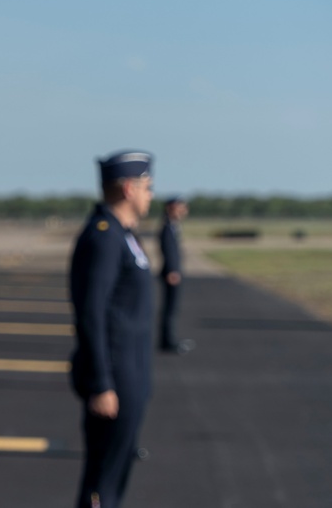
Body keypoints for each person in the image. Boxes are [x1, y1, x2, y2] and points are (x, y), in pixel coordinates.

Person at [69, 151, 155, 508]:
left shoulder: (123, 235)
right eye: (148, 187)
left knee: (116, 477)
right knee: (102, 481)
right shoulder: (104, 236)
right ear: (127, 188)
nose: (151, 194)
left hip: (130, 372)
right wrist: (102, 383)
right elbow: (91, 313)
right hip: (114, 377)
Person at [158, 196, 192, 353]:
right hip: (171, 273)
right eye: (181, 208)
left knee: (172, 308)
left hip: (173, 272)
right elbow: (168, 250)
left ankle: (169, 339)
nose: (184, 211)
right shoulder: (167, 227)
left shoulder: (173, 226)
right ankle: (167, 341)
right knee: (170, 309)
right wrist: (172, 270)